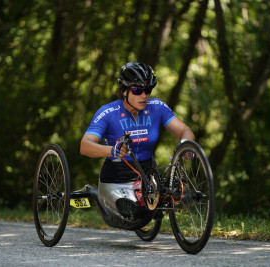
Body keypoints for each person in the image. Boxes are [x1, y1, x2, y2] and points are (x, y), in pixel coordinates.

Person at [80, 62, 194, 221]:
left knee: (160, 206)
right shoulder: (108, 113)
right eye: (137, 90)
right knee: (132, 212)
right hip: (116, 179)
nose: (144, 95)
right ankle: (96, 194)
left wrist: (186, 144)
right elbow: (85, 146)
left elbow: (184, 130)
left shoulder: (157, 107)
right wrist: (112, 150)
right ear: (124, 91)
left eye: (147, 90)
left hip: (147, 179)